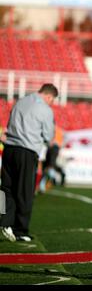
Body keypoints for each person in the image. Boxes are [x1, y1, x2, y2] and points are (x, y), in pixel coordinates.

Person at [0, 83, 58, 242]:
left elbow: (9, 124)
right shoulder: (45, 109)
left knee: (6, 189)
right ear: (49, 96)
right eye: (52, 100)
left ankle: (5, 221)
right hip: (27, 151)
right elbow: (48, 136)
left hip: (9, 149)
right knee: (24, 192)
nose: (51, 103)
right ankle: (20, 230)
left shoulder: (20, 101)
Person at [39, 125, 65, 193]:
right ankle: (50, 180)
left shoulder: (51, 129)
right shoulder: (59, 131)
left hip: (50, 148)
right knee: (49, 166)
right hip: (53, 148)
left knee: (48, 166)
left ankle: (50, 181)